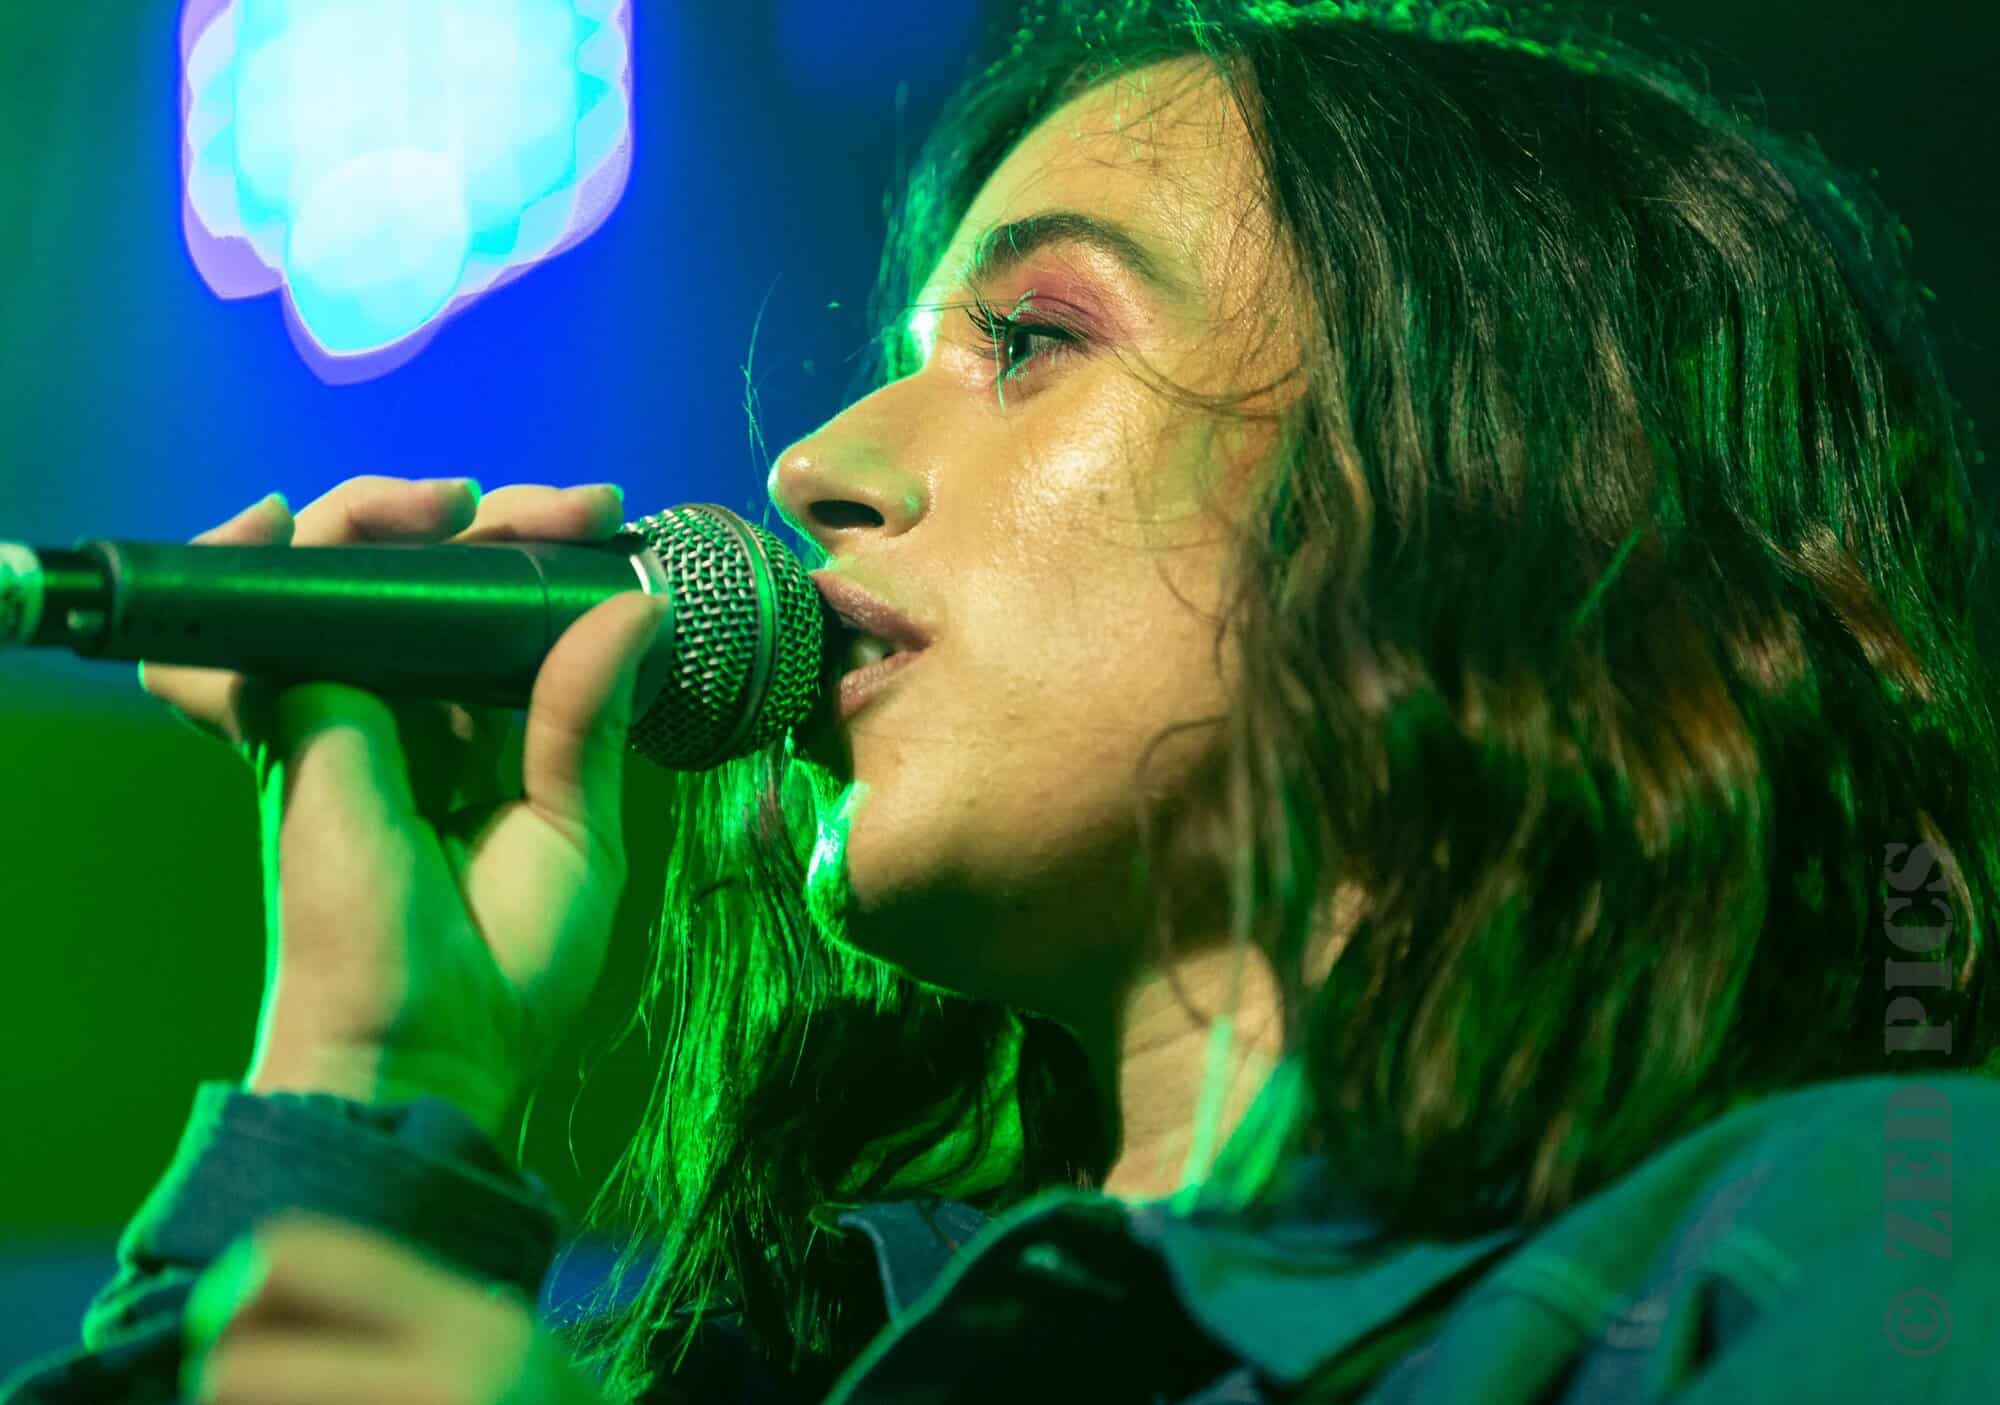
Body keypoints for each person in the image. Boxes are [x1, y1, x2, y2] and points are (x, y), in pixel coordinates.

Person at [6, 1, 1999, 1401]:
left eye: (1028, 338)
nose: (811, 464)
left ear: (1497, 482)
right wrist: (377, 1078)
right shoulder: (771, 1360)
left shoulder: (1868, 1251)